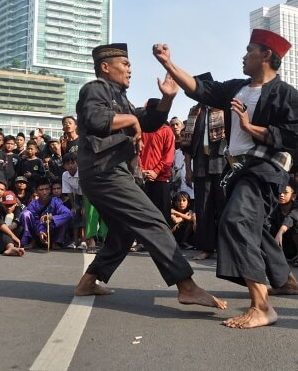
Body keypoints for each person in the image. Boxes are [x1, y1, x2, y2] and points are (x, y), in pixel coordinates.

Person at [154, 29, 298, 328]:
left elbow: (293, 136)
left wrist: (252, 128)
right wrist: (168, 63)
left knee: (236, 222)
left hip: (265, 169)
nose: (243, 55)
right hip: (239, 169)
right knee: (255, 228)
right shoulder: (237, 88)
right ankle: (286, 280)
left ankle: (262, 307)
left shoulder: (286, 93)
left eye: (249, 50)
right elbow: (200, 88)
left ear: (266, 55)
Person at [74, 42, 226, 312]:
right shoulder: (95, 88)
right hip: (104, 171)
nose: (130, 69)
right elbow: (96, 119)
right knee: (153, 220)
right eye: (125, 64)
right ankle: (187, 287)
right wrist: (131, 122)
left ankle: (88, 281)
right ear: (105, 67)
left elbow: (150, 121)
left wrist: (167, 98)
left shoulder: (120, 97)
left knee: (123, 230)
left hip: (111, 171)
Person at [181, 84, 227, 260]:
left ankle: (226, 248)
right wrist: (188, 169)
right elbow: (186, 145)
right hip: (200, 165)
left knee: (224, 206)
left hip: (221, 163)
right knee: (203, 208)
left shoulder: (223, 108)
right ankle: (207, 248)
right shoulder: (194, 111)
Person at [20, 177, 73, 250]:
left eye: (46, 189)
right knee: (25, 214)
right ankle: (32, 241)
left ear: (50, 190)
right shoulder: (33, 205)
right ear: (36, 191)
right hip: (38, 232)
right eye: (41, 190)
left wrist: (52, 218)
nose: (44, 192)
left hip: (53, 229)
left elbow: (68, 214)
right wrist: (41, 231)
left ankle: (57, 242)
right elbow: (35, 221)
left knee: (65, 217)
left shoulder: (56, 201)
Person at [140, 120, 175, 225]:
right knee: (143, 216)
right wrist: (142, 171)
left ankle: (164, 242)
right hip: (143, 179)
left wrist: (155, 171)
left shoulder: (167, 131)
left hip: (161, 180)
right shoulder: (141, 131)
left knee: (162, 218)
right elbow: (137, 152)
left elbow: (168, 157)